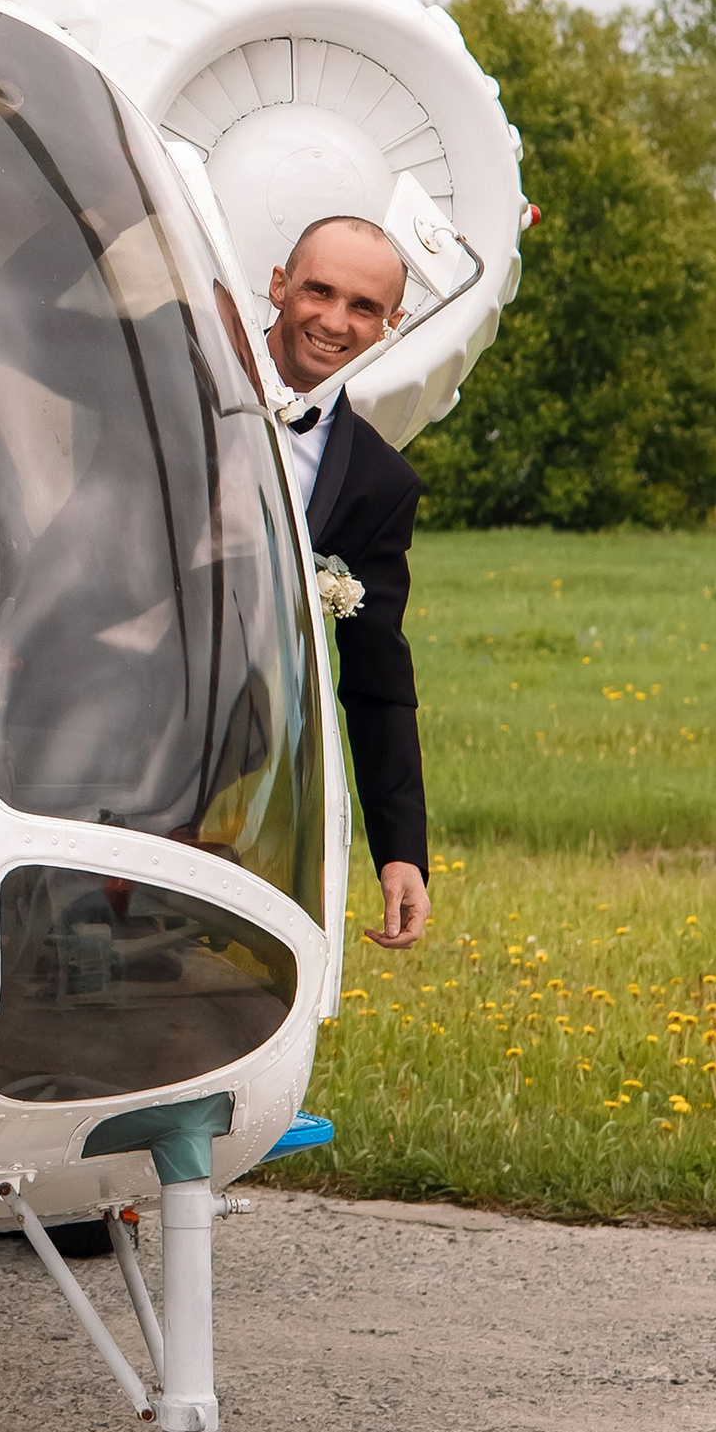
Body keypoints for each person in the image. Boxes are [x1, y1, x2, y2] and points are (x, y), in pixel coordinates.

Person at [265, 216, 430, 952]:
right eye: (318, 291)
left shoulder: (379, 484)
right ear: (278, 286)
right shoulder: (174, 376)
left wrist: (401, 850)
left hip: (231, 761)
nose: (335, 321)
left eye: (364, 307)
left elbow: (376, 676)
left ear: (390, 325)